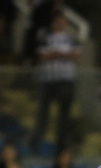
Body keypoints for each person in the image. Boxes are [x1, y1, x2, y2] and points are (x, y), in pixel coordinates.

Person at [30, 13, 80, 151]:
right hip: (47, 80)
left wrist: (55, 54)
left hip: (65, 80)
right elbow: (42, 56)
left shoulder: (71, 38)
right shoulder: (45, 37)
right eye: (57, 21)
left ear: (66, 24)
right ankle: (36, 143)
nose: (59, 23)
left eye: (62, 21)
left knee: (64, 114)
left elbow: (76, 55)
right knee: (43, 113)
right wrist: (63, 54)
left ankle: (61, 145)